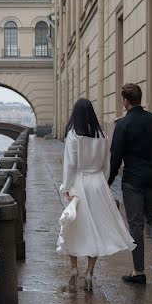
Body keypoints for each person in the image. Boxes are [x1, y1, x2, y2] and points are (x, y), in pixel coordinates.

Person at [58, 98, 135, 291]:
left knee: (73, 226)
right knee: (97, 229)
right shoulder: (101, 136)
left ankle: (74, 268)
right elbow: (106, 166)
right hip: (98, 183)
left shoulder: (73, 135)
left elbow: (70, 165)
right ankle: (90, 272)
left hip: (79, 183)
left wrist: (65, 187)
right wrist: (103, 183)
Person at [108, 83, 152, 284]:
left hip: (133, 180)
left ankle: (139, 271)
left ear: (125, 101)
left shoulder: (123, 125)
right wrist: (151, 159)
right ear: (140, 98)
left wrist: (107, 181)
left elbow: (115, 158)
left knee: (136, 223)